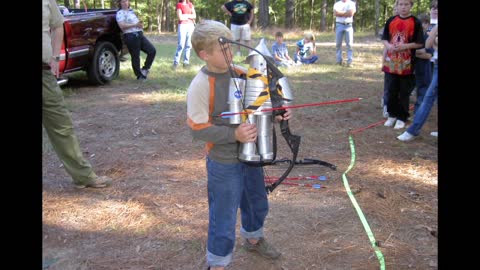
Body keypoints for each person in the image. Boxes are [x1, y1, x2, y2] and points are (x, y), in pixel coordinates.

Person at [187, 20, 289, 270]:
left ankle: (254, 237)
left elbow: (260, 103)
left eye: (230, 47)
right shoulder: (200, 85)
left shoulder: (242, 72)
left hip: (251, 154)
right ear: (205, 55)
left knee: (256, 201)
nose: (230, 53)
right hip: (223, 161)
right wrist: (235, 135)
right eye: (223, 50)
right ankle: (218, 262)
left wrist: (277, 113)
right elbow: (196, 128)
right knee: (224, 212)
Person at [43, 0, 112, 189]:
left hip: (44, 74)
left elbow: (57, 26)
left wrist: (56, 57)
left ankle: (83, 176)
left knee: (62, 126)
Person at [381, 0, 423, 130]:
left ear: (411, 6)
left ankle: (402, 117)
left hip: (406, 63)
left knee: (404, 91)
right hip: (391, 62)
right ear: (397, 6)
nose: (403, 7)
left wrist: (405, 46)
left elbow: (419, 43)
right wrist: (388, 46)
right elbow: (385, 38)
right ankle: (392, 115)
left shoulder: (415, 22)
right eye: (401, 4)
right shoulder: (391, 20)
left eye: (406, 4)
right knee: (391, 89)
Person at [397, 23, 438, 141]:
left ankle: (413, 130)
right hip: (436, 65)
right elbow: (428, 44)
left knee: (428, 97)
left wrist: (435, 39)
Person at [116, 0, 156, 80]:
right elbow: (122, 26)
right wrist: (135, 25)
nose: (125, 3)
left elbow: (137, 23)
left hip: (139, 34)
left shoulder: (131, 11)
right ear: (120, 3)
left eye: (126, 1)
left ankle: (145, 69)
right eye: (123, 2)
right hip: (130, 36)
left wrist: (140, 25)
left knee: (152, 51)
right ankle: (139, 75)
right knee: (135, 56)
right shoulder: (120, 13)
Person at [412, 13, 434, 114]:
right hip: (411, 69)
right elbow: (408, 51)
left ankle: (418, 113)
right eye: (420, 23)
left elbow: (428, 55)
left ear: (428, 25)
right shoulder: (413, 38)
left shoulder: (429, 38)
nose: (422, 26)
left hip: (424, 69)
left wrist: (414, 52)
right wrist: (420, 51)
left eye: (425, 23)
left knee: (422, 92)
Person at [381, 3, 398, 118]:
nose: (399, 9)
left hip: (403, 62)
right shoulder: (390, 24)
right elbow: (385, 46)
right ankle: (386, 106)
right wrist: (383, 62)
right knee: (388, 86)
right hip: (390, 61)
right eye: (397, 6)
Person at [172, 0, 196, 70]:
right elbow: (180, 17)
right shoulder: (179, 5)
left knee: (189, 45)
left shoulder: (190, 4)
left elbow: (194, 16)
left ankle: (186, 62)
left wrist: (186, 15)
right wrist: (189, 16)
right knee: (181, 45)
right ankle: (176, 62)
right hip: (182, 26)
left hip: (191, 26)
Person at [333, 0, 356, 67]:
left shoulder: (351, 3)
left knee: (349, 44)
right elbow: (336, 13)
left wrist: (341, 13)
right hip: (339, 25)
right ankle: (338, 60)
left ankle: (350, 61)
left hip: (348, 25)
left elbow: (351, 14)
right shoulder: (337, 4)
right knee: (338, 44)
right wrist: (346, 13)